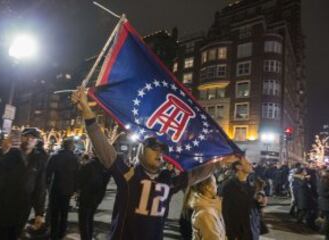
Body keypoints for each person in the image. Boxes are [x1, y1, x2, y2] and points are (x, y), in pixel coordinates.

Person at [71, 86, 240, 240]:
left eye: (162, 149)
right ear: (141, 150)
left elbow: (195, 175)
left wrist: (220, 162)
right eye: (153, 147)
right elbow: (104, 149)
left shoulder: (168, 181)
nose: (160, 152)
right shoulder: (128, 175)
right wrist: (87, 111)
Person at [0, 128, 47, 239]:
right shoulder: (7, 153)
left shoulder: (38, 159)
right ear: (20, 137)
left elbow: (39, 187)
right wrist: (1, 152)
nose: (29, 139)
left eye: (33, 138)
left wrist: (39, 213)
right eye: (26, 136)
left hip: (20, 211)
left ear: (37, 142)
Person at [46, 138, 79, 240]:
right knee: (64, 213)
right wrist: (75, 189)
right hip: (67, 189)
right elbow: (77, 175)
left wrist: (48, 186)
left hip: (55, 188)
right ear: (71, 146)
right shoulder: (74, 158)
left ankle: (53, 234)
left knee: (54, 213)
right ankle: (61, 233)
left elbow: (47, 172)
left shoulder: (55, 156)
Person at [78, 155, 111, 240]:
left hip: (86, 196)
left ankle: (86, 237)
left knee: (84, 220)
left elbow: (80, 180)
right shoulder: (105, 167)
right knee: (90, 218)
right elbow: (105, 183)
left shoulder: (89, 165)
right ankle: (89, 235)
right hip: (97, 196)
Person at [220, 159, 254, 240]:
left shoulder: (250, 185)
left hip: (249, 231)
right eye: (247, 163)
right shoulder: (229, 186)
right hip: (237, 234)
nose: (251, 164)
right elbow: (225, 212)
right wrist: (231, 234)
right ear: (238, 167)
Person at [189, 175, 225, 240]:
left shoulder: (210, 207)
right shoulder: (206, 214)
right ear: (208, 188)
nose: (217, 186)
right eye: (215, 183)